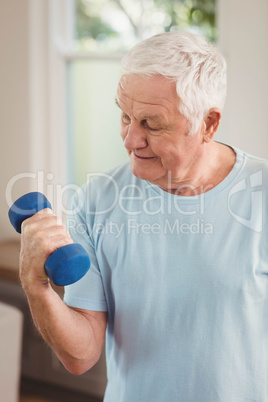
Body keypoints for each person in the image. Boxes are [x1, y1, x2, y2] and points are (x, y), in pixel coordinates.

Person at [19, 32, 268, 401]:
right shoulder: (97, 199)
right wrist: (34, 283)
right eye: (124, 115)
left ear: (209, 124)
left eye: (151, 124)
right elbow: (80, 355)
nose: (130, 139)